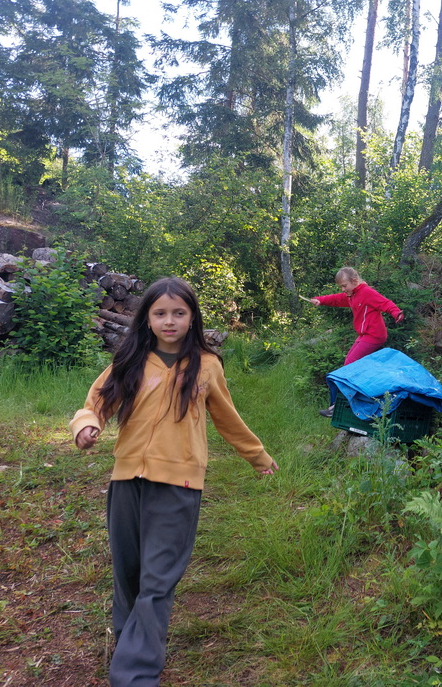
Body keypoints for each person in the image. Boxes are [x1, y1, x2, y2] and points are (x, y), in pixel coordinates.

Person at [70, 277, 277, 687]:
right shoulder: (131, 359)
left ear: (192, 318)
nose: (169, 321)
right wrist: (87, 425)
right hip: (127, 480)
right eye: (160, 313)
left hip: (179, 485)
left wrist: (256, 455)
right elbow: (97, 401)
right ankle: (128, 643)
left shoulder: (206, 365)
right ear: (147, 319)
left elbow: (227, 418)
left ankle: (134, 674)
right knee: (128, 574)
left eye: (179, 313)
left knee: (158, 579)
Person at [311, 266, 404, 417]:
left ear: (354, 281)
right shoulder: (351, 295)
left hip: (374, 335)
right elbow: (336, 299)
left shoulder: (366, 292)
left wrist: (396, 313)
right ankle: (342, 403)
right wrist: (320, 300)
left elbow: (385, 303)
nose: (343, 289)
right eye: (341, 287)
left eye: (344, 286)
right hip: (364, 335)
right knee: (348, 364)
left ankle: (343, 405)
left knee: (349, 365)